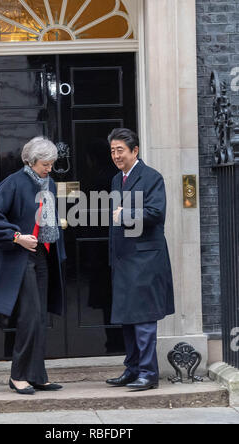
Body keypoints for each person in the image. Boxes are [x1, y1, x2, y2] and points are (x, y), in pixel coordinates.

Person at [0, 137, 66, 395]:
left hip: (42, 256)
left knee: (40, 317)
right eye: (45, 164)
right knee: (29, 317)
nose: (49, 169)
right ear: (30, 161)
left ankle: (37, 375)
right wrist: (17, 237)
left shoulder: (48, 183)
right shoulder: (14, 183)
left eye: (52, 164)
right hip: (20, 258)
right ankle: (17, 375)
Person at [106, 128, 175, 391]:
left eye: (120, 150)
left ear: (135, 151)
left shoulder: (152, 177)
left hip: (146, 260)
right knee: (127, 317)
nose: (115, 155)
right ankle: (132, 369)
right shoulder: (116, 180)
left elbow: (157, 213)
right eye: (112, 151)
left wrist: (126, 214)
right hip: (124, 259)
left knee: (144, 318)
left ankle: (148, 373)